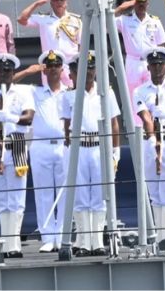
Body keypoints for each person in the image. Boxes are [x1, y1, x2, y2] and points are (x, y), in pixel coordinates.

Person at [60, 53, 120, 256]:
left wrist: (116, 151)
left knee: (100, 196)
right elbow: (66, 126)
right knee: (81, 196)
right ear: (76, 72)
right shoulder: (69, 95)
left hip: (99, 146)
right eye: (84, 69)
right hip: (79, 147)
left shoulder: (106, 92)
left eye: (92, 68)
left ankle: (98, 242)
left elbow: (114, 124)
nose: (89, 72)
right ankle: (85, 242)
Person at [0, 54, 35, 258]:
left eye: (8, 71)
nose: (4, 74)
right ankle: (6, 242)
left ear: (13, 72)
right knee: (2, 198)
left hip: (17, 144)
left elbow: (28, 117)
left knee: (16, 199)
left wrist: (10, 117)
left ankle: (14, 245)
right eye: (1, 71)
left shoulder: (23, 93)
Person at [132, 47, 165, 241]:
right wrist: (153, 138)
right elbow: (145, 116)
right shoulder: (140, 91)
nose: (157, 68)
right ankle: (157, 237)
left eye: (160, 64)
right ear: (148, 67)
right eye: (153, 65)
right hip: (151, 138)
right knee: (154, 192)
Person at [28, 50, 70, 253]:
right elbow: (7, 84)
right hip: (41, 145)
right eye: (49, 66)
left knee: (64, 193)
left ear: (62, 69)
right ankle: (47, 236)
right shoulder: (34, 92)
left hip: (64, 144)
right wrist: (30, 71)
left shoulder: (70, 91)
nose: (53, 69)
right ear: (44, 70)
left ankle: (61, 236)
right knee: (43, 192)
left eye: (56, 65)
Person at [16, 0, 79, 86]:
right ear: (51, 2)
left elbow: (81, 44)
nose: (59, 2)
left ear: (66, 2)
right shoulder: (43, 19)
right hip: (50, 64)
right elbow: (21, 19)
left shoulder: (76, 20)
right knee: (49, 92)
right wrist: (36, 4)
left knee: (72, 92)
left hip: (70, 64)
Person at [114, 0, 165, 98]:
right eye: (138, 1)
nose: (141, 4)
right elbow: (105, 21)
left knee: (154, 93)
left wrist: (159, 64)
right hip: (133, 63)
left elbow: (161, 44)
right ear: (133, 3)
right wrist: (121, 8)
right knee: (132, 94)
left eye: (144, 1)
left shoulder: (155, 21)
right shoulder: (124, 20)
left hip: (151, 62)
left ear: (148, 3)